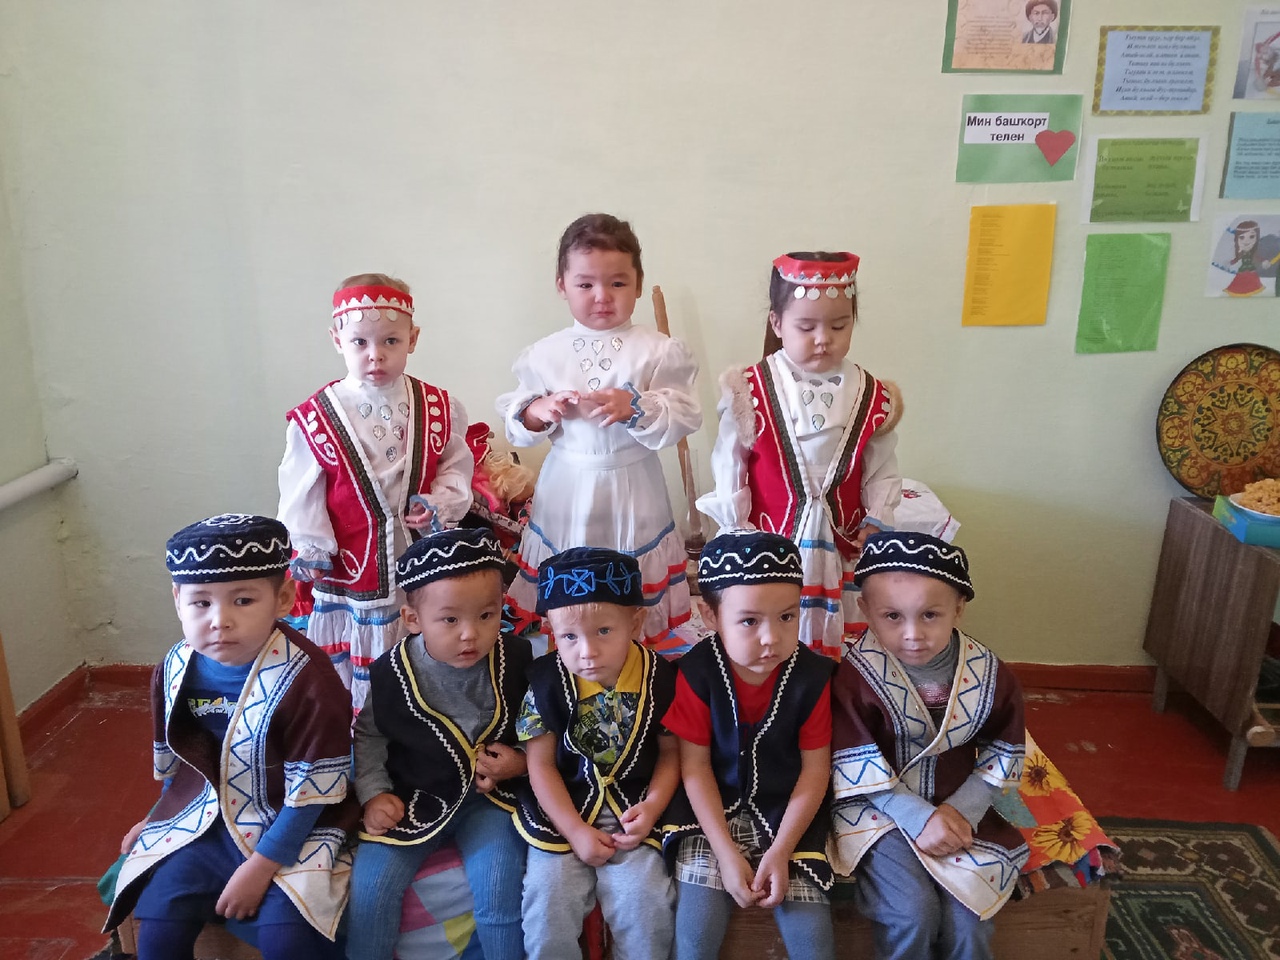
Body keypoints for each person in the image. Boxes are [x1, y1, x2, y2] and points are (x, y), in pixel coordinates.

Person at [105, 515, 357, 958]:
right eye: (201, 603)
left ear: (282, 598)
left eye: (243, 600)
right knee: (159, 926)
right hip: (208, 824)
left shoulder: (310, 680)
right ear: (178, 600)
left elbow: (312, 794)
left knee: (289, 939)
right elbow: (183, 762)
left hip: (293, 829)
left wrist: (259, 869)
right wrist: (163, 816)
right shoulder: (175, 669)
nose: (220, 620)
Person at [496, 214, 701, 651]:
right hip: (568, 486)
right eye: (586, 284)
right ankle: (568, 652)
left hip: (634, 484)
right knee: (568, 573)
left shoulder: (658, 349)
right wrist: (538, 410)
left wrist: (638, 406)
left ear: (638, 284)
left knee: (633, 573)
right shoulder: (544, 354)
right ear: (562, 285)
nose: (602, 296)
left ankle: (638, 654)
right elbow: (517, 416)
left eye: (617, 283)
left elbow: (684, 412)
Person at [278, 273, 475, 712]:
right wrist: (310, 544)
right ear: (337, 340)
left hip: (418, 555)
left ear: (412, 339)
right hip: (353, 566)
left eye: (390, 341)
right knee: (356, 662)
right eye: (360, 342)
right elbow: (301, 491)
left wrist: (441, 501)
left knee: (423, 635)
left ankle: (421, 718)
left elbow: (456, 465)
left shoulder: (438, 406)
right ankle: (359, 727)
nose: (376, 354)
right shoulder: (316, 416)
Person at [829, 531, 1028, 960]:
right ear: (864, 609)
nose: (913, 634)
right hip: (880, 811)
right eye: (892, 616)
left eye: (930, 615)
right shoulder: (854, 677)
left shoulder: (990, 673)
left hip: (959, 807)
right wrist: (917, 817)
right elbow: (854, 763)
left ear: (959, 608)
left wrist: (961, 811)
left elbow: (1004, 749)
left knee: (971, 916)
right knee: (911, 913)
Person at [697, 251, 902, 658]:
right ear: (777, 323)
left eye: (839, 325)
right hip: (771, 541)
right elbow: (729, 463)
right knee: (776, 621)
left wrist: (877, 517)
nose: (823, 338)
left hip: (841, 544)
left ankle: (832, 683)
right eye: (806, 327)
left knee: (842, 633)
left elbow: (881, 468)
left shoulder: (871, 394)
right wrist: (736, 525)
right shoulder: (749, 389)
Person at [346, 528, 531, 960]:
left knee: (500, 888)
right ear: (413, 619)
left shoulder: (518, 658)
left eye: (486, 616)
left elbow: (542, 727)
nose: (470, 634)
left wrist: (520, 762)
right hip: (413, 799)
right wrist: (374, 794)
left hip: (490, 803)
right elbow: (369, 735)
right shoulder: (391, 674)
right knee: (371, 892)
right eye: (450, 620)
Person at [663, 532, 836, 960]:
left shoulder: (814, 678)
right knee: (695, 938)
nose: (771, 638)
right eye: (749, 621)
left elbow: (815, 771)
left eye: (787, 616)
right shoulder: (695, 673)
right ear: (710, 615)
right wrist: (725, 854)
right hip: (710, 819)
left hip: (789, 818)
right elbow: (695, 768)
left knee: (814, 942)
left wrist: (781, 851)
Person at [515, 547, 680, 960]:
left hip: (634, 814)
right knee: (547, 904)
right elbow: (540, 764)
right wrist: (574, 830)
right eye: (569, 637)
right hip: (562, 814)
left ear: (635, 623)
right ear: (552, 631)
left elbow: (671, 753)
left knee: (646, 904)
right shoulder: (544, 684)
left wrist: (653, 806)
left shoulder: (662, 679)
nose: (586, 651)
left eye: (603, 631)